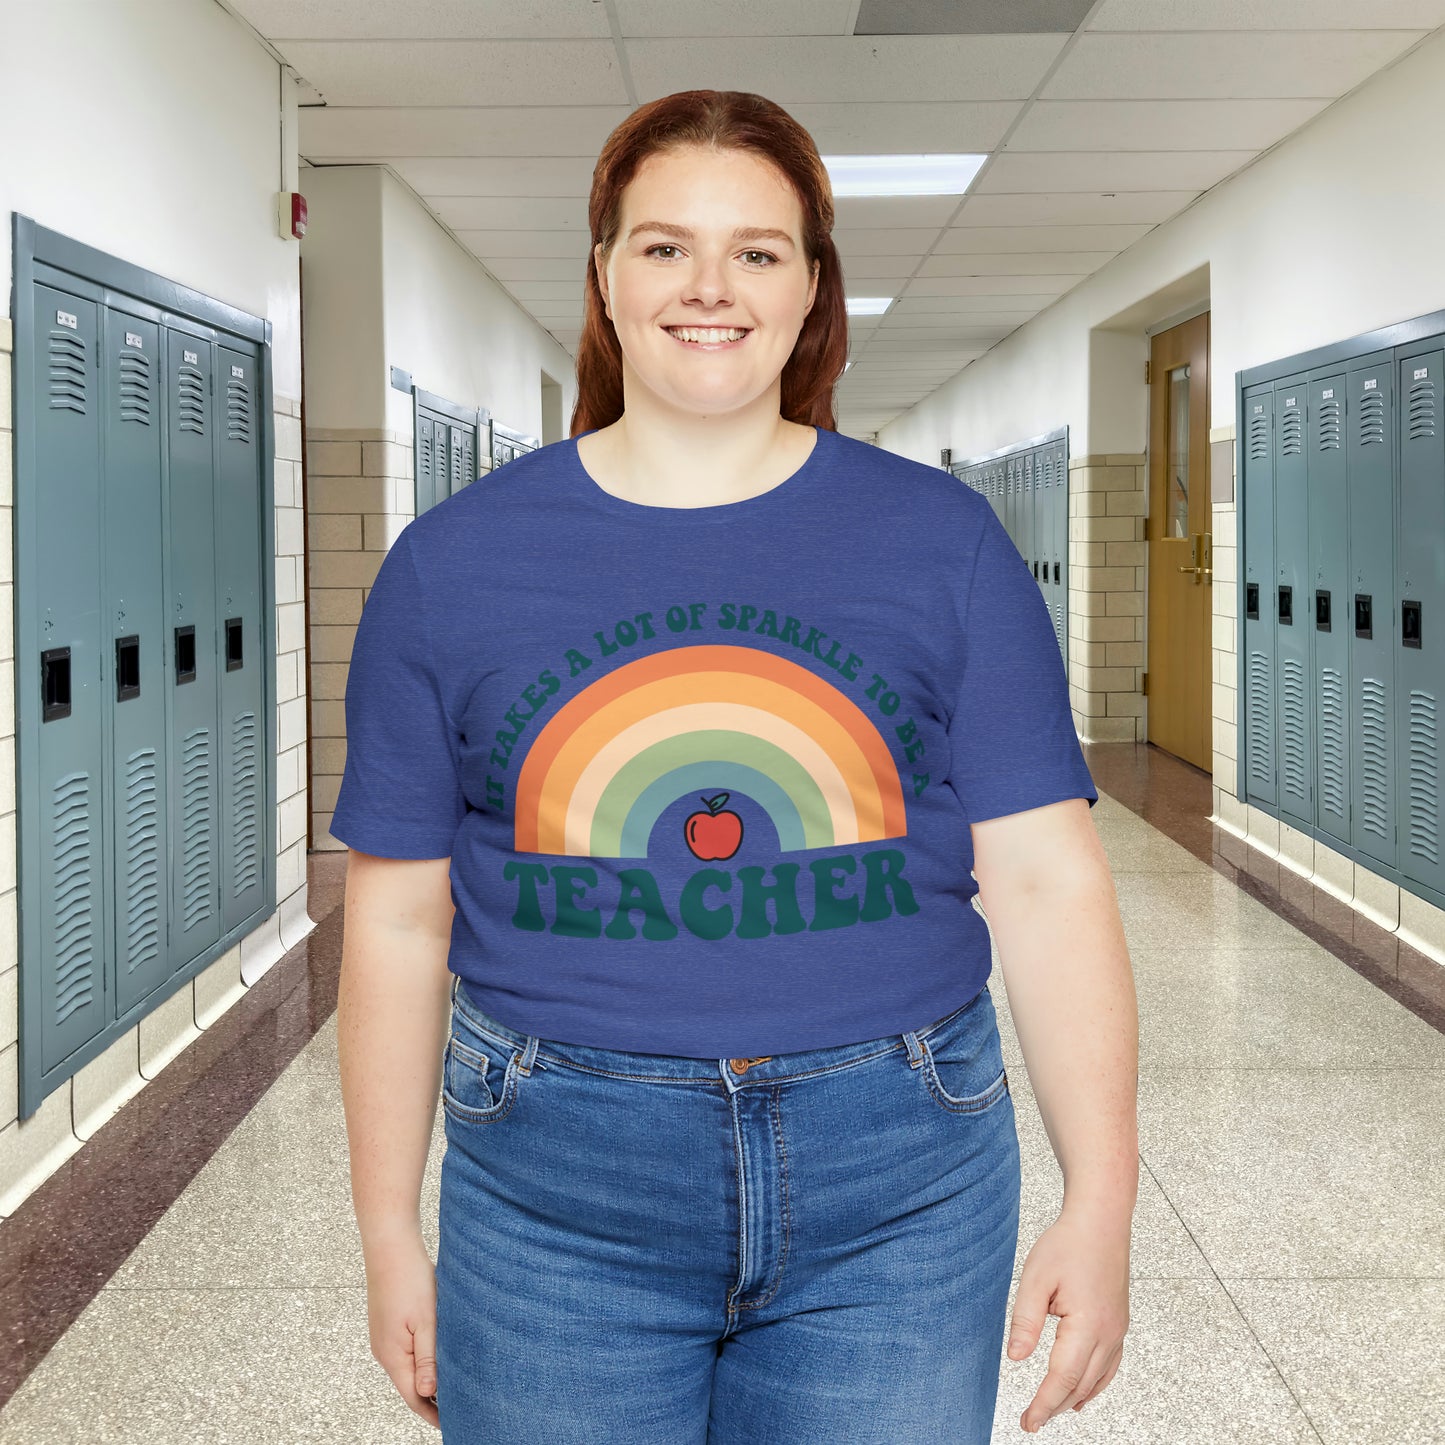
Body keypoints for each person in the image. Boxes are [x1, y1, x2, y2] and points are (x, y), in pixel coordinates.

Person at [332, 89, 1138, 1443]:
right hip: (552, 1187)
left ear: (811, 284)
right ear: (602, 271)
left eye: (757, 251)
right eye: (663, 247)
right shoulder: (450, 566)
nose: (709, 287)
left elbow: (1049, 884)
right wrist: (384, 1230)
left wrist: (1101, 1198)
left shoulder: (939, 543)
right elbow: (399, 920)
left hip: (900, 1175)